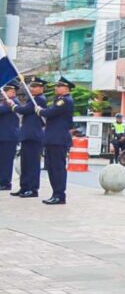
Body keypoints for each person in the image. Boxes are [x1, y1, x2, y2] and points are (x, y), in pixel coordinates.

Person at [39, 76, 76, 205]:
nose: (56, 88)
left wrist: (40, 110)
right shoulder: (59, 99)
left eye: (59, 86)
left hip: (58, 139)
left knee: (58, 168)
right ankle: (55, 193)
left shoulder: (65, 100)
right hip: (52, 138)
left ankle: (59, 195)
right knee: (52, 167)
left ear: (65, 88)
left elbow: (51, 112)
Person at [12, 78, 46, 198]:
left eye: (35, 86)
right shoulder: (33, 99)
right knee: (25, 164)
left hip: (34, 136)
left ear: (42, 88)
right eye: (32, 86)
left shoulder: (39, 100)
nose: (32, 88)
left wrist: (13, 106)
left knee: (32, 164)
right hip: (27, 135)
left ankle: (32, 189)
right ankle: (24, 187)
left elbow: (25, 110)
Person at [0, 83, 20, 190]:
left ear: (12, 92)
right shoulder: (4, 102)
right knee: (2, 160)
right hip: (3, 136)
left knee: (6, 161)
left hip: (9, 136)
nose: (3, 94)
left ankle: (5, 183)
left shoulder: (12, 102)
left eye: (5, 91)